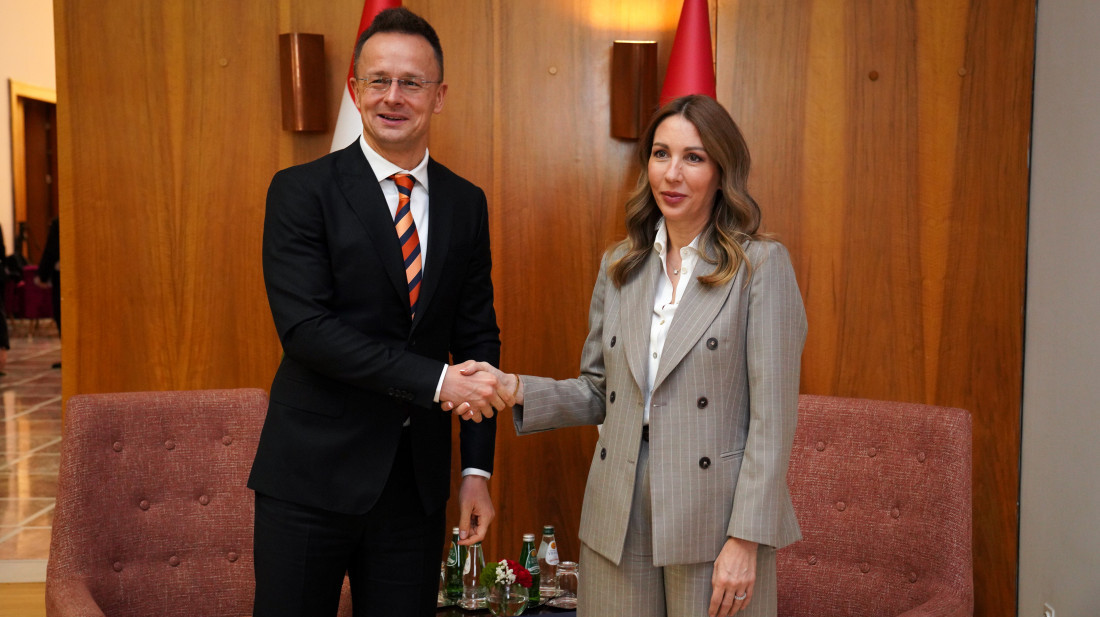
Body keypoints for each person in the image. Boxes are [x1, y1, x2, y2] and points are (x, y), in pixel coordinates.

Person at [461, 95, 807, 617]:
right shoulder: (621, 264)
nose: (672, 173)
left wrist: (746, 539)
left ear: (721, 171)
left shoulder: (759, 265)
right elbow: (601, 391)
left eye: (693, 157)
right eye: (661, 154)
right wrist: (515, 388)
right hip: (618, 503)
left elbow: (772, 421)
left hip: (714, 512)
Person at [248, 8, 506, 617]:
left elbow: (477, 338)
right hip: (310, 478)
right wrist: (437, 381)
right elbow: (307, 331)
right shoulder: (300, 191)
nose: (393, 97)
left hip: (413, 488)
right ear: (354, 88)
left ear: (439, 96)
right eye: (378, 80)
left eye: (411, 82)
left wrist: (476, 469)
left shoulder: (466, 203)